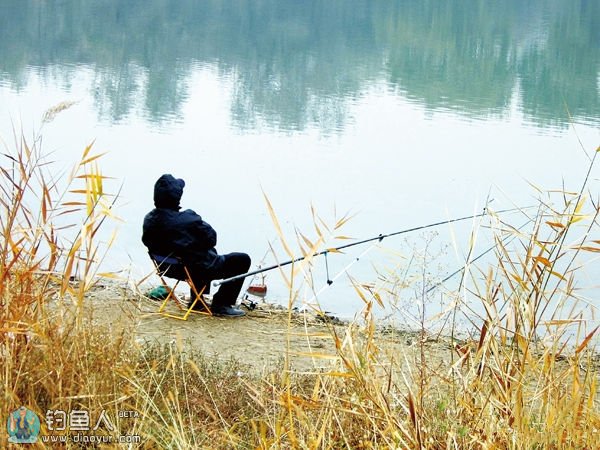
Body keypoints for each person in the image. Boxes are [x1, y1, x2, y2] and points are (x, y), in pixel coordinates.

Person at [142, 174, 251, 317]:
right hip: (192, 269)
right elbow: (212, 238)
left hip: (167, 268)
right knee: (241, 260)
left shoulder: (149, 219)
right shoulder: (188, 219)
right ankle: (222, 304)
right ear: (177, 197)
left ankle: (198, 302)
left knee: (197, 253)